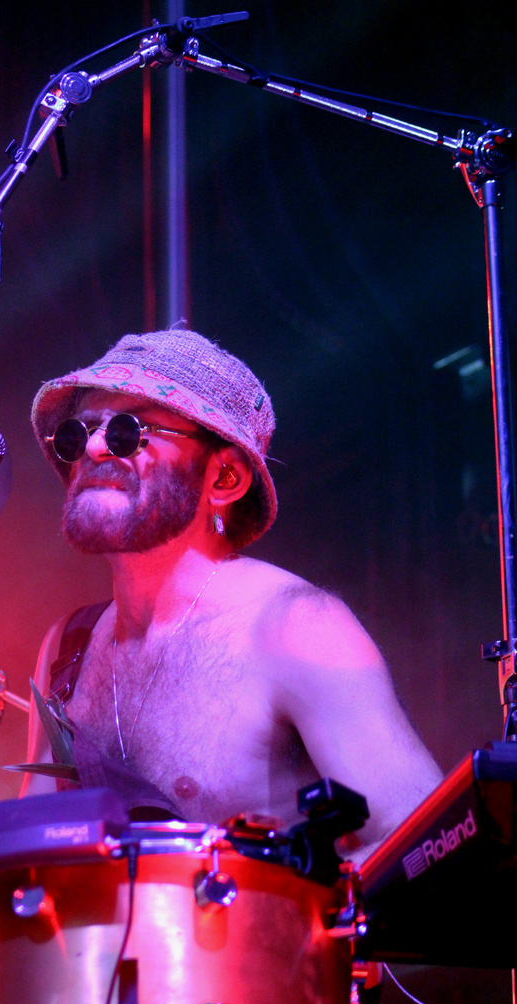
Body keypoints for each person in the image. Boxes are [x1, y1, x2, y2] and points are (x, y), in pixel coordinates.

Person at [22, 328, 441, 858]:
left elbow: (422, 847)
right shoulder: (67, 647)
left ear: (223, 478)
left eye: (130, 431)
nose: (96, 447)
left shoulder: (298, 627)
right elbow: (29, 850)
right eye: (77, 433)